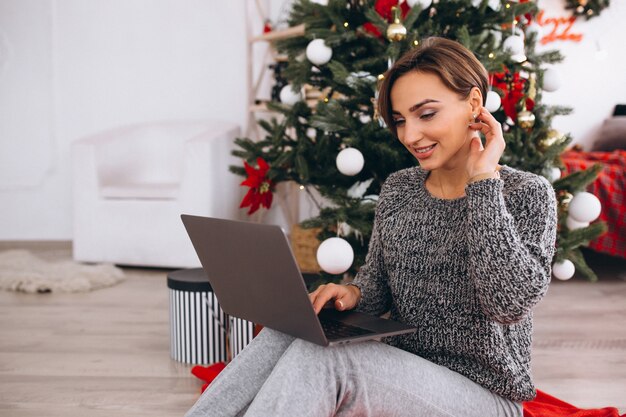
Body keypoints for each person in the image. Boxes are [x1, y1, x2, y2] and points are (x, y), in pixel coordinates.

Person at [185, 37, 557, 417]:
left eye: (426, 114)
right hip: (403, 374)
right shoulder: (400, 188)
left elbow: (508, 302)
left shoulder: (525, 193)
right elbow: (377, 285)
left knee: (328, 361)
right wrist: (350, 293)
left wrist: (482, 183)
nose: (410, 135)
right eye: (400, 120)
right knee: (293, 328)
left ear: (474, 104)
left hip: (485, 397)